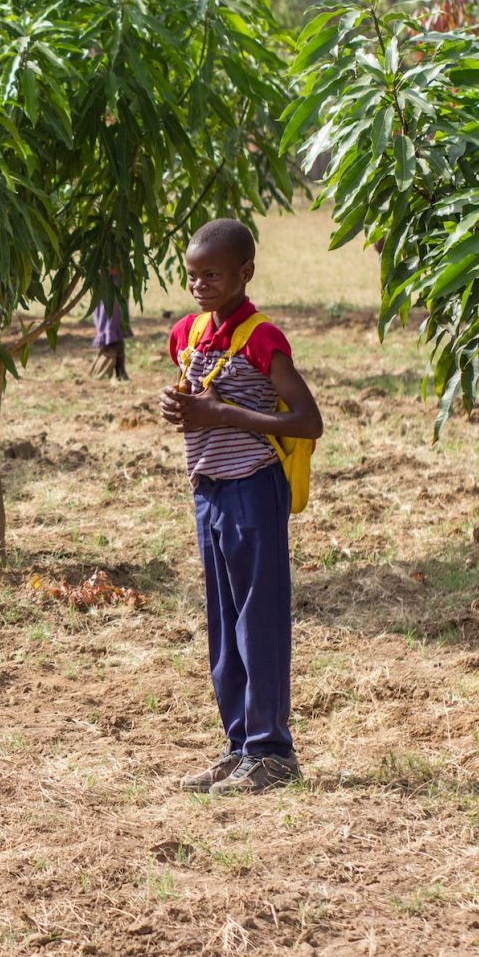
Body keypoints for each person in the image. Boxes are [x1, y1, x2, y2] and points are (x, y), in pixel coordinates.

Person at [159, 219, 323, 796]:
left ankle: (272, 751)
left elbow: (308, 421)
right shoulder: (187, 334)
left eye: (214, 275)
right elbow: (197, 400)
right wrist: (177, 406)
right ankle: (239, 746)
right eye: (193, 276)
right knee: (224, 627)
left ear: (245, 273)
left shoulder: (261, 338)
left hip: (255, 486)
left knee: (260, 620)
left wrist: (222, 415)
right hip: (208, 487)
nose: (200, 285)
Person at [90, 270, 129, 381]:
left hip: (113, 279)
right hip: (104, 280)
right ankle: (115, 371)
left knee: (114, 325)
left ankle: (119, 372)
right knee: (108, 322)